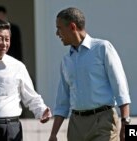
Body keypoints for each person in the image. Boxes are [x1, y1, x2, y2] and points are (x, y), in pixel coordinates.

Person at [48, 7, 131, 141]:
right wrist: (53, 134)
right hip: (76, 125)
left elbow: (120, 86)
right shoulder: (66, 61)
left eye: (59, 28)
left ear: (72, 26)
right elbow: (62, 101)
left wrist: (125, 122)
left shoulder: (103, 48)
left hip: (103, 121)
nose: (57, 33)